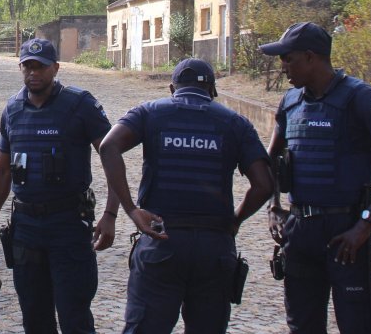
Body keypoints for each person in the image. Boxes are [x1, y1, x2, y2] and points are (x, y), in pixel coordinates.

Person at [260, 22, 371, 333]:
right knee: (302, 325)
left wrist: (366, 224)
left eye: (288, 58)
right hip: (300, 233)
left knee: (360, 325)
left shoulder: (359, 98)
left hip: (346, 234)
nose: (282, 67)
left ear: (310, 57)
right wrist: (274, 206)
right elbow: (271, 160)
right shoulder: (290, 103)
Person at [99, 58, 273, 334]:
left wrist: (131, 209)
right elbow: (264, 184)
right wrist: (235, 221)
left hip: (161, 239)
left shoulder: (150, 113)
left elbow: (108, 146)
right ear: (213, 91)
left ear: (172, 88)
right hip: (214, 246)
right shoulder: (235, 123)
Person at [0, 37, 119, 334]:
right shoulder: (12, 110)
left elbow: (112, 159)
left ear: (55, 68)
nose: (34, 73)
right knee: (35, 316)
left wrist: (110, 215)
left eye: (40, 67)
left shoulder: (80, 105)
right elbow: (2, 172)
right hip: (26, 228)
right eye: (27, 66)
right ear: (20, 68)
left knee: (74, 316)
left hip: (68, 225)